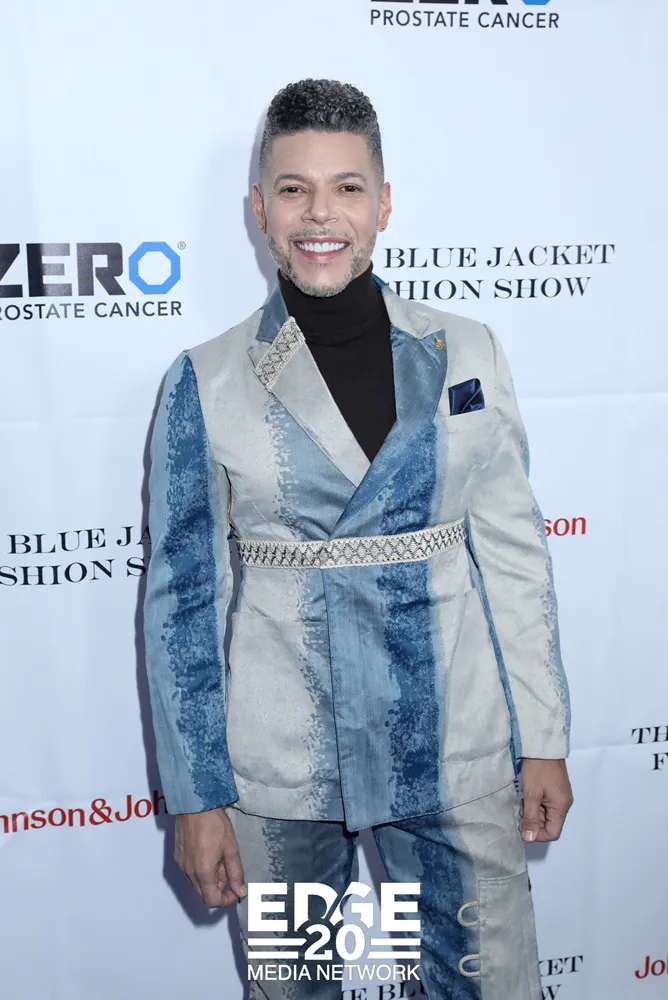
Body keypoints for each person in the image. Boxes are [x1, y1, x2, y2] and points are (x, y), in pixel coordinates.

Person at [143, 78, 574, 999]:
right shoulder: (206, 381)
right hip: (279, 769)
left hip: (455, 747)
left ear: (383, 202)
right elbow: (182, 608)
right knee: (292, 989)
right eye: (293, 188)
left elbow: (514, 557)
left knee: (490, 985)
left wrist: (542, 737)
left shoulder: (467, 352)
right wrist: (198, 795)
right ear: (259, 208)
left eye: (346, 187)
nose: (319, 214)